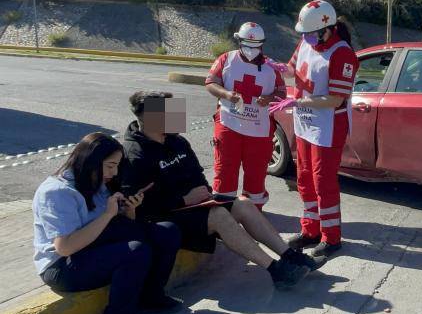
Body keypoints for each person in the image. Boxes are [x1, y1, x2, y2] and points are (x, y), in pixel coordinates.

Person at [121, 91, 322, 289]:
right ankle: (276, 270)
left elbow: (197, 173)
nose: (176, 117)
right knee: (219, 215)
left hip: (194, 204)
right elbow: (140, 206)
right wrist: (182, 201)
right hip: (166, 216)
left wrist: (204, 192)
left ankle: (290, 257)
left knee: (244, 204)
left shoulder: (176, 141)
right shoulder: (135, 155)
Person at [32, 132, 182, 314]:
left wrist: (128, 210)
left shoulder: (94, 180)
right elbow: (65, 247)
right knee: (134, 252)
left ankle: (150, 296)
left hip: (90, 246)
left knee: (167, 232)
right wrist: (108, 215)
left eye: (117, 166)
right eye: (110, 166)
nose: (114, 172)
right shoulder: (56, 192)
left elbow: (120, 226)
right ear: (90, 161)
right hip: (61, 265)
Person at [268, 0, 359, 258]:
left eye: (309, 33)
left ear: (326, 29)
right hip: (306, 122)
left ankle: (332, 238)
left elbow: (334, 100)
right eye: (303, 34)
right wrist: (273, 67)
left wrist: (296, 101)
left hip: (328, 127)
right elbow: (291, 69)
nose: (305, 38)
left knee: (323, 181)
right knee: (305, 177)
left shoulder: (343, 54)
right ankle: (310, 230)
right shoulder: (306, 42)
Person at [205, 22, 286, 209]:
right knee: (225, 169)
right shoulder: (226, 59)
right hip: (228, 123)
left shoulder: (271, 67)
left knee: (256, 172)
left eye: (256, 46)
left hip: (259, 128)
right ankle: (224, 210)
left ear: (262, 45)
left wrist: (270, 98)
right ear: (239, 42)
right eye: (247, 46)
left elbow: (282, 92)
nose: (251, 50)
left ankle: (253, 211)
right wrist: (226, 94)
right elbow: (210, 82)